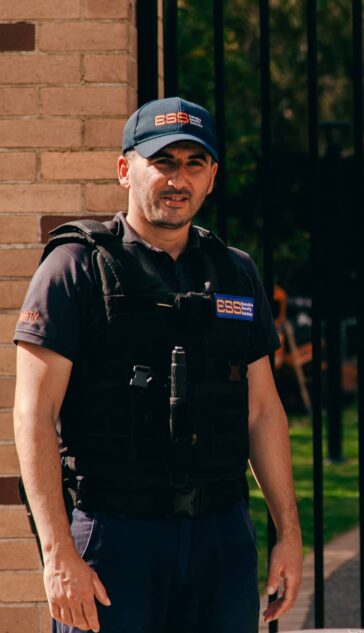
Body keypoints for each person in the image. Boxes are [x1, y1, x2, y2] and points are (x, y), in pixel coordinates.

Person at [13, 97, 302, 633]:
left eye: (195, 164)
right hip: (115, 537)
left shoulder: (236, 273)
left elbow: (263, 411)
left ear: (212, 177)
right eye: (163, 161)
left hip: (221, 537)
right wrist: (57, 554)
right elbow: (32, 413)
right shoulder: (74, 268)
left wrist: (288, 533)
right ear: (126, 169)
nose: (179, 178)